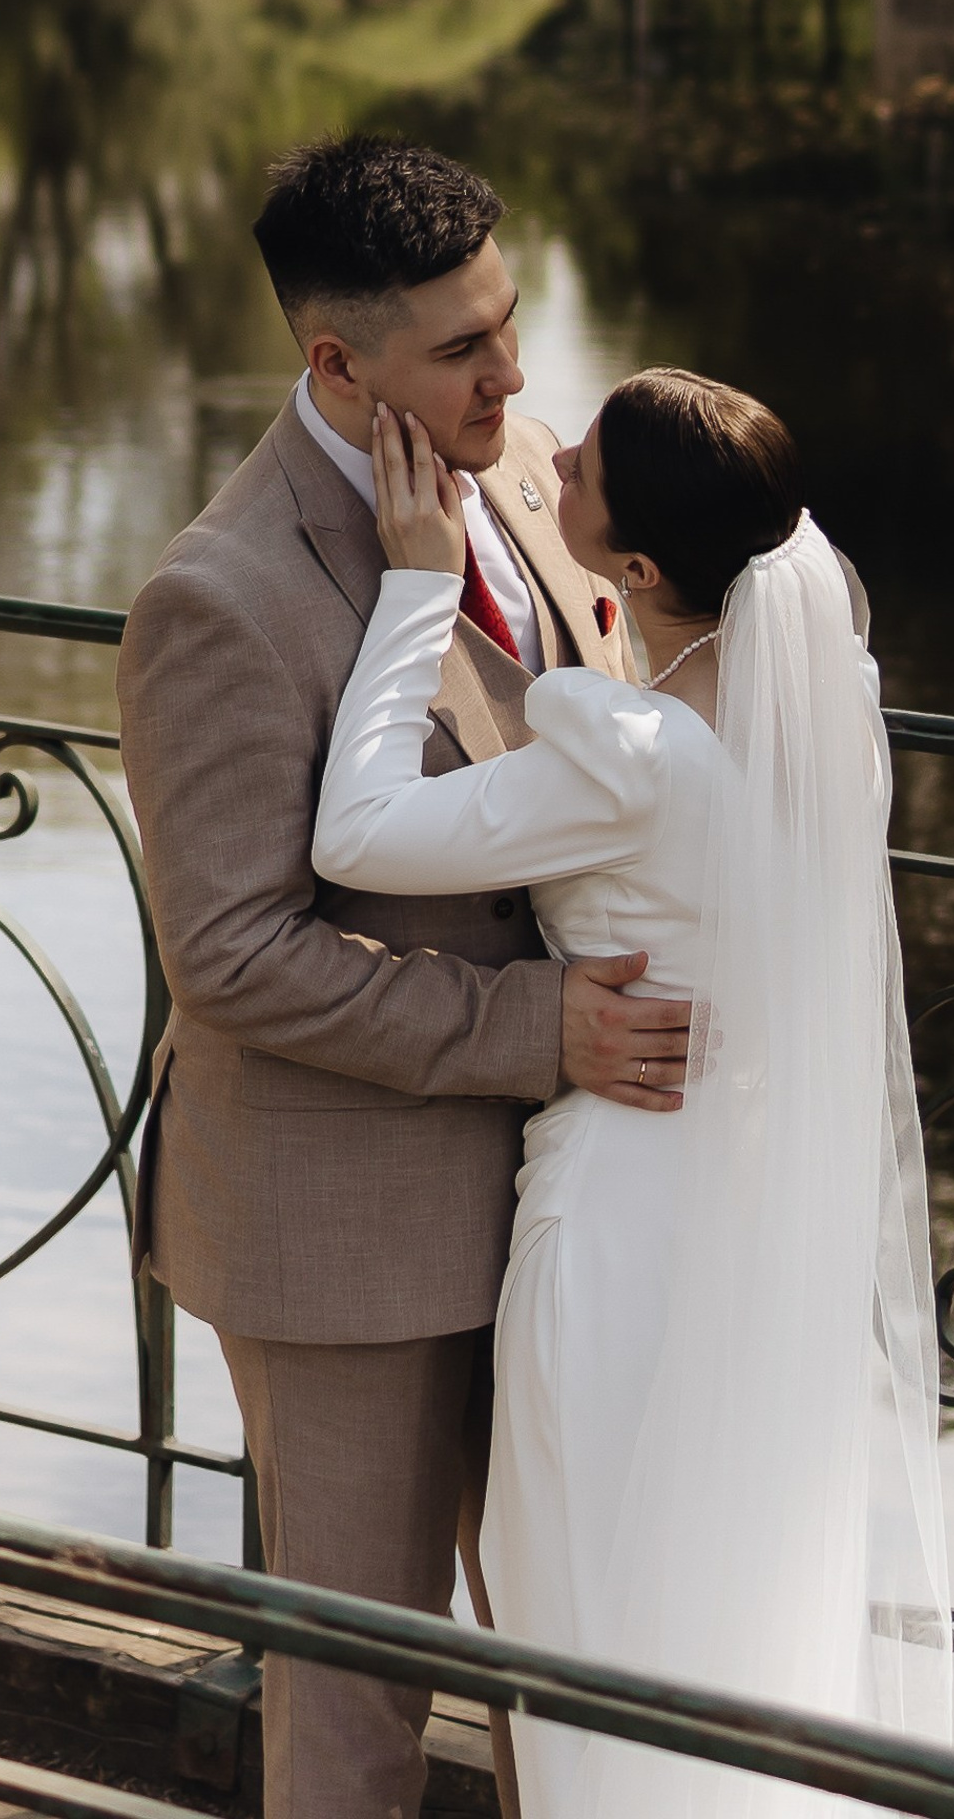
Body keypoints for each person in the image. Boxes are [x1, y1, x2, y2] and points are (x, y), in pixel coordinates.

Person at [115, 136, 683, 1819]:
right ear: (335, 364)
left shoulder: (524, 477)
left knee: (575, 1679)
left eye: (508, 322)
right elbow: (229, 957)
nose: (515, 372)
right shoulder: (217, 600)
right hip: (344, 1232)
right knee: (358, 1715)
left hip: (579, 1203)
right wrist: (538, 1029)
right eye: (464, 349)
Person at [312, 367, 954, 1819]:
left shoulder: (634, 752)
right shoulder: (829, 702)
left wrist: (420, 587)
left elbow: (359, 828)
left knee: (584, 1620)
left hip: (617, 1219)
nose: (551, 460)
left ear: (644, 567)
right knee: (718, 1601)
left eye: (581, 470)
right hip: (750, 1210)